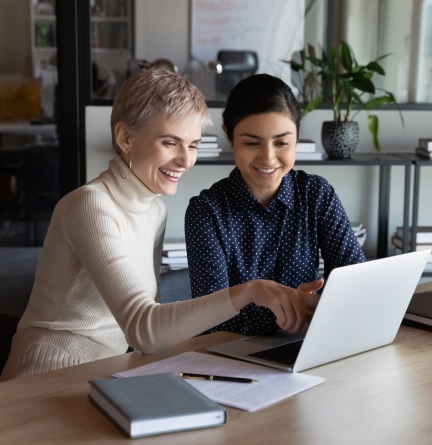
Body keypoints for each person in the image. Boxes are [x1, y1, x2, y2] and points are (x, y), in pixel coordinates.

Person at [1, 67, 321, 381]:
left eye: (193, 145)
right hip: (48, 373)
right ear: (125, 138)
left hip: (106, 371)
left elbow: (147, 327)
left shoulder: (154, 210)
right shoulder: (90, 205)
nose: (186, 160)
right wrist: (251, 290)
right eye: (170, 143)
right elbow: (144, 329)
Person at [185, 73, 366, 336]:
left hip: (306, 346)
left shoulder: (316, 195)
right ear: (229, 134)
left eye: (282, 142)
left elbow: (356, 283)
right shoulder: (207, 212)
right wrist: (291, 310)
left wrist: (308, 308)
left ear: (297, 136)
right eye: (252, 143)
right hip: (231, 356)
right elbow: (209, 320)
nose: (269, 158)